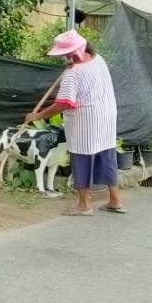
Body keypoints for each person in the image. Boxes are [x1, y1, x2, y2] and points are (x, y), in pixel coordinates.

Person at [30, 29, 125, 216]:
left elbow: (62, 104)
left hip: (86, 121)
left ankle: (84, 205)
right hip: (106, 115)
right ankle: (115, 200)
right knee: (107, 154)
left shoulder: (73, 74)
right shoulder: (99, 60)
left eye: (67, 54)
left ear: (76, 53)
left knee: (82, 158)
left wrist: (37, 116)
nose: (65, 57)